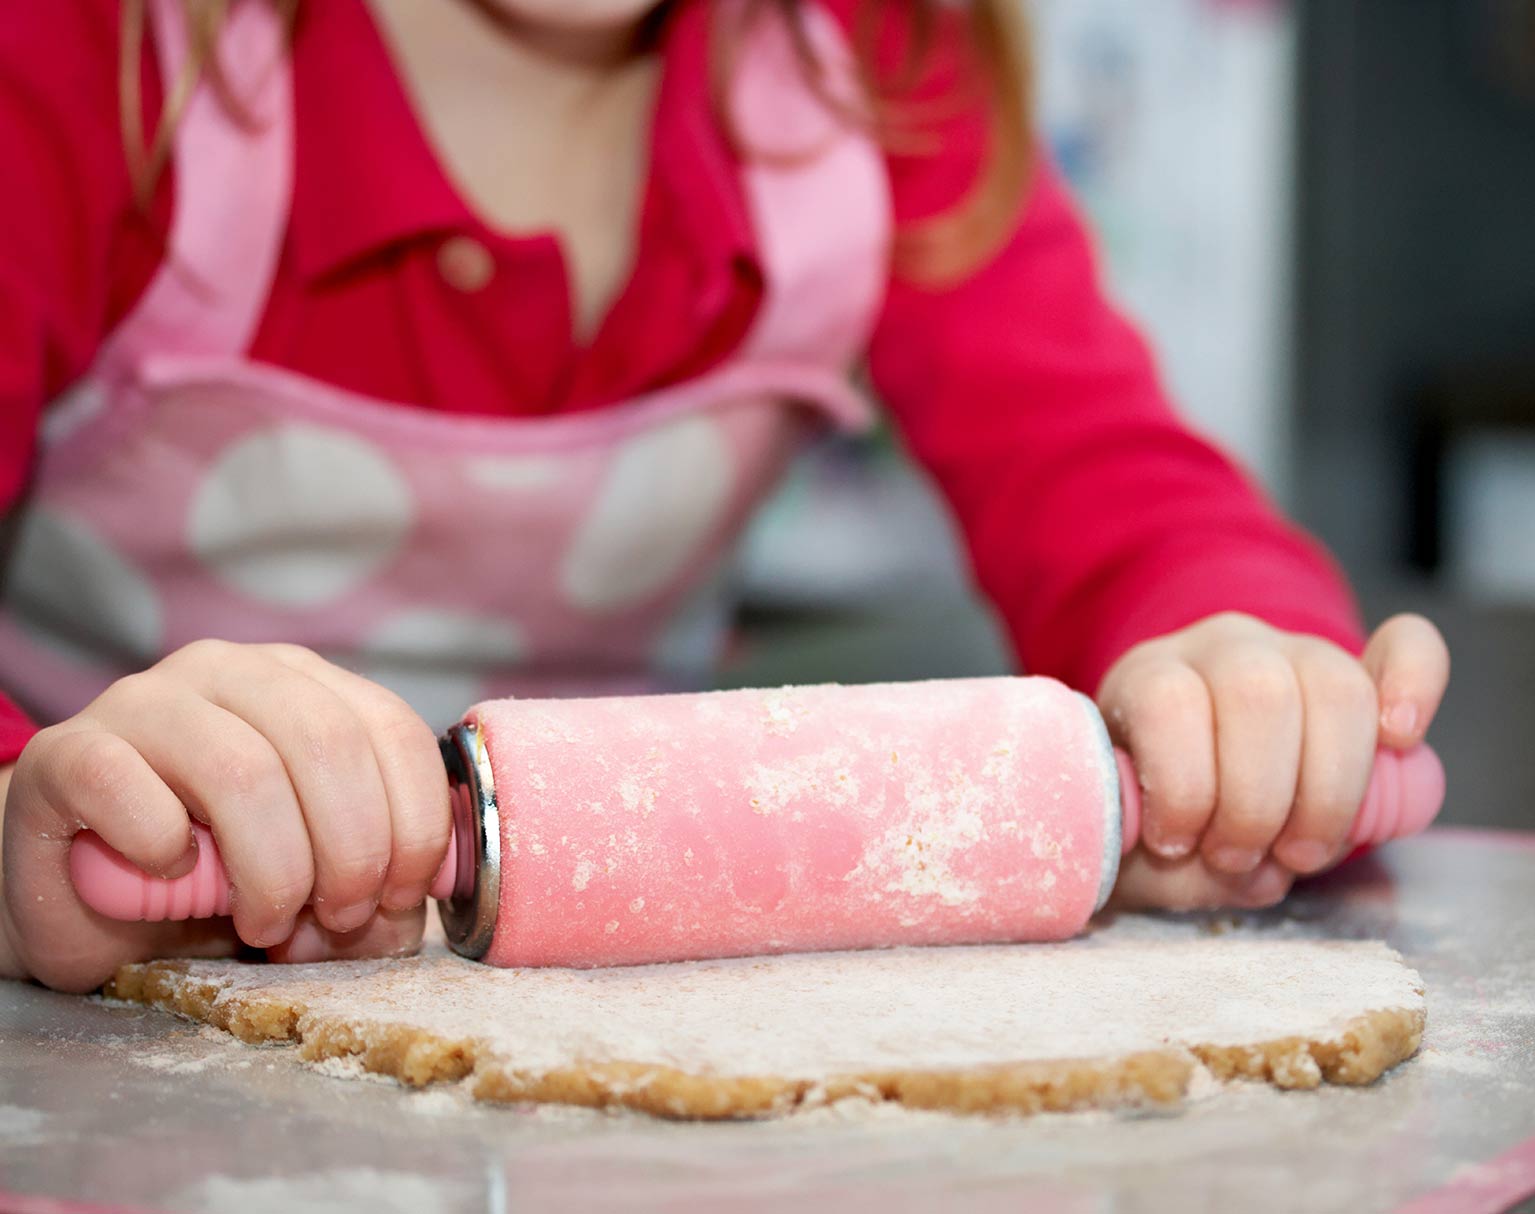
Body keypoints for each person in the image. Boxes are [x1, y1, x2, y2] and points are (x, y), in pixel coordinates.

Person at [0, 0, 1449, 992]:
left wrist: (1239, 675)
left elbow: (1110, 480)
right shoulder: (99, 58)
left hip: (611, 967)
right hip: (156, 943)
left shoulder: (861, 65)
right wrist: (25, 834)